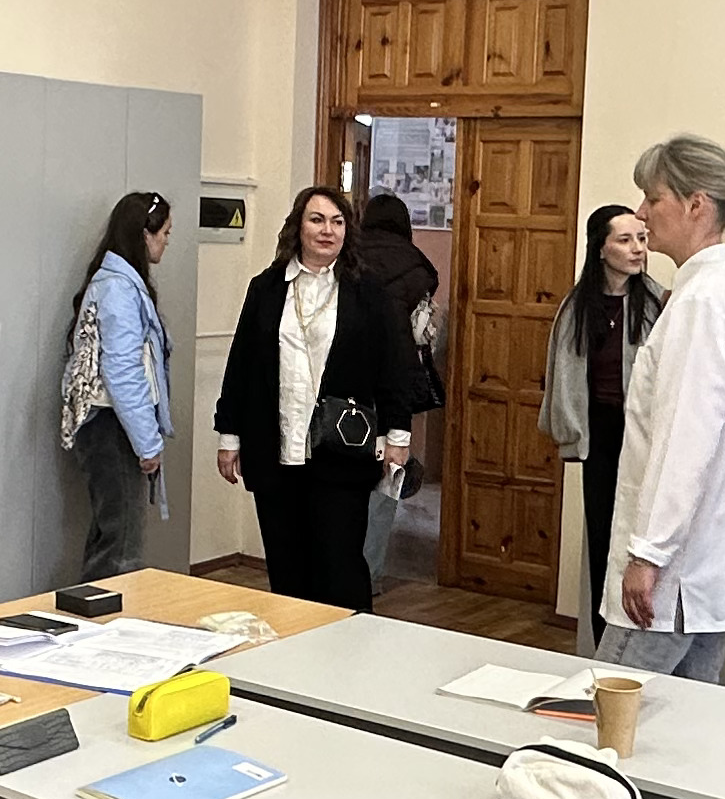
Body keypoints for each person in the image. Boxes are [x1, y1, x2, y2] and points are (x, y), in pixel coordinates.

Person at [596, 136, 725, 681]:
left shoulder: (703, 302)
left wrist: (648, 554)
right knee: (686, 717)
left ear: (696, 204)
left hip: (674, 572)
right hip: (701, 571)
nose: (641, 213)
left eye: (653, 198)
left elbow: (684, 443)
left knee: (609, 704)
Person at [213, 185, 420, 611]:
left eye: (337, 222)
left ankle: (348, 648)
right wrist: (228, 435)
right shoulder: (266, 288)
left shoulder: (368, 292)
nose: (328, 230)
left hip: (341, 453)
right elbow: (242, 366)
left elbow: (394, 367)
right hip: (275, 452)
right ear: (298, 228)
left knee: (340, 568)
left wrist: (398, 434)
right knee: (287, 568)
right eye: (317, 220)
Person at [542, 203, 664, 646]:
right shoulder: (577, 308)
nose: (637, 249)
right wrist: (571, 434)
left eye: (642, 239)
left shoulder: (659, 302)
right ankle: (604, 644)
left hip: (643, 436)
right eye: (625, 240)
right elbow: (562, 377)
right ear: (600, 248)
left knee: (639, 539)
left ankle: (640, 637)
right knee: (603, 542)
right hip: (599, 435)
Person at [63, 190, 176, 583]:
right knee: (122, 546)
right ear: (144, 234)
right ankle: (110, 616)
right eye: (164, 233)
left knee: (109, 533)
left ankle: (90, 611)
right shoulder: (119, 289)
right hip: (112, 424)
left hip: (107, 424)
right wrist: (148, 443)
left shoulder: (116, 283)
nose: (166, 242)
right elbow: (123, 370)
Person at [352, 191, 445, 585]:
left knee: (341, 483)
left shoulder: (347, 259)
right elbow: (420, 334)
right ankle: (369, 574)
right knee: (386, 482)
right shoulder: (418, 268)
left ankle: (334, 573)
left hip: (343, 388)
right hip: (392, 391)